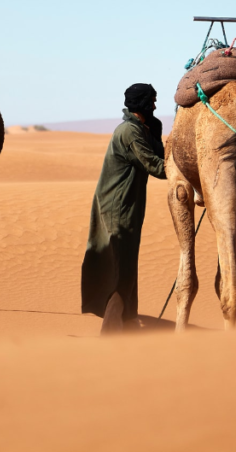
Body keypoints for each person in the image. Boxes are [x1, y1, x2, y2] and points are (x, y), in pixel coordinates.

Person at [81, 83, 166, 334]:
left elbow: (158, 154)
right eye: (151, 100)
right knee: (122, 269)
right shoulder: (129, 131)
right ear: (140, 103)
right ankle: (111, 330)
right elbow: (154, 165)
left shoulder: (142, 128)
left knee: (126, 264)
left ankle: (127, 323)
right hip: (118, 206)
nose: (154, 105)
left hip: (130, 204)